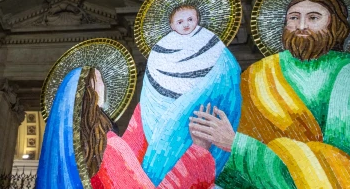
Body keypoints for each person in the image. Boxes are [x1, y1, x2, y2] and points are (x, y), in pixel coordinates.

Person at [192, 0, 350, 188]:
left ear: (335, 25)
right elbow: (228, 155)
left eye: (313, 18)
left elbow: (348, 166)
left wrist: (238, 146)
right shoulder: (259, 73)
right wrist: (206, 146)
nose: (301, 25)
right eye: (293, 18)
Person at [36, 66, 217, 189]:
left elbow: (127, 156)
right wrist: (198, 152)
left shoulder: (67, 155)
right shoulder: (107, 146)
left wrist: (146, 109)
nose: (104, 85)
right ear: (90, 89)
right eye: (99, 80)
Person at [138, 5, 241, 185]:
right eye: (180, 21)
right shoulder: (160, 49)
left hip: (208, 115)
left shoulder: (212, 41)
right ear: (171, 25)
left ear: (197, 19)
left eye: (190, 20)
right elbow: (152, 93)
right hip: (168, 117)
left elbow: (228, 75)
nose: (186, 24)